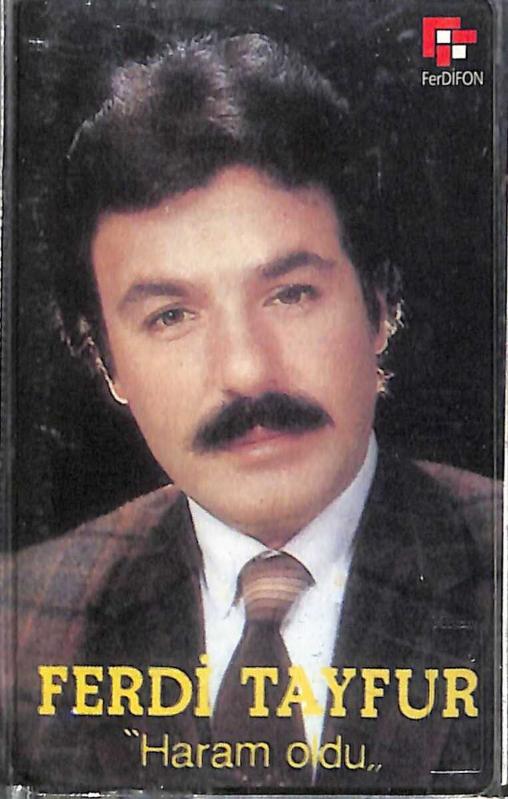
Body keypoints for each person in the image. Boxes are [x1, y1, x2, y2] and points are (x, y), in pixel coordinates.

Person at [2, 32, 496, 795]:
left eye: (290, 294)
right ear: (105, 363)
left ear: (381, 304)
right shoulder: (22, 622)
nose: (245, 371)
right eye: (170, 316)